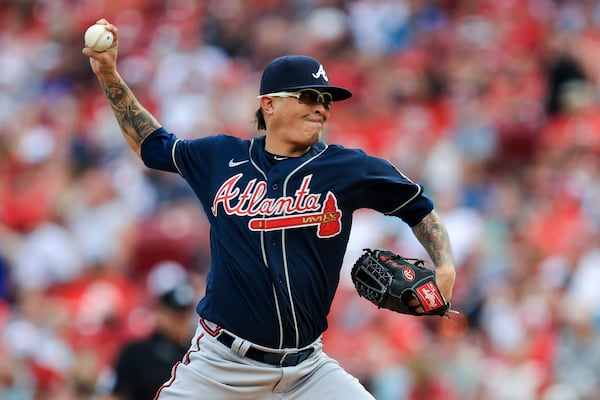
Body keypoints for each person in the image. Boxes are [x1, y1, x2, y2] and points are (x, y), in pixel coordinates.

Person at [83, 19, 456, 400]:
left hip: (307, 371)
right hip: (221, 366)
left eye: (326, 100)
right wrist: (110, 74)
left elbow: (417, 206)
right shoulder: (220, 156)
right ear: (270, 104)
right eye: (308, 96)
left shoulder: (348, 168)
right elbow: (151, 143)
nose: (321, 107)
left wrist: (444, 264)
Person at [103, 282, 196, 400]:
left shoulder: (194, 354)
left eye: (185, 316)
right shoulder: (136, 352)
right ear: (160, 314)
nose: (181, 322)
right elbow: (115, 394)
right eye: (176, 316)